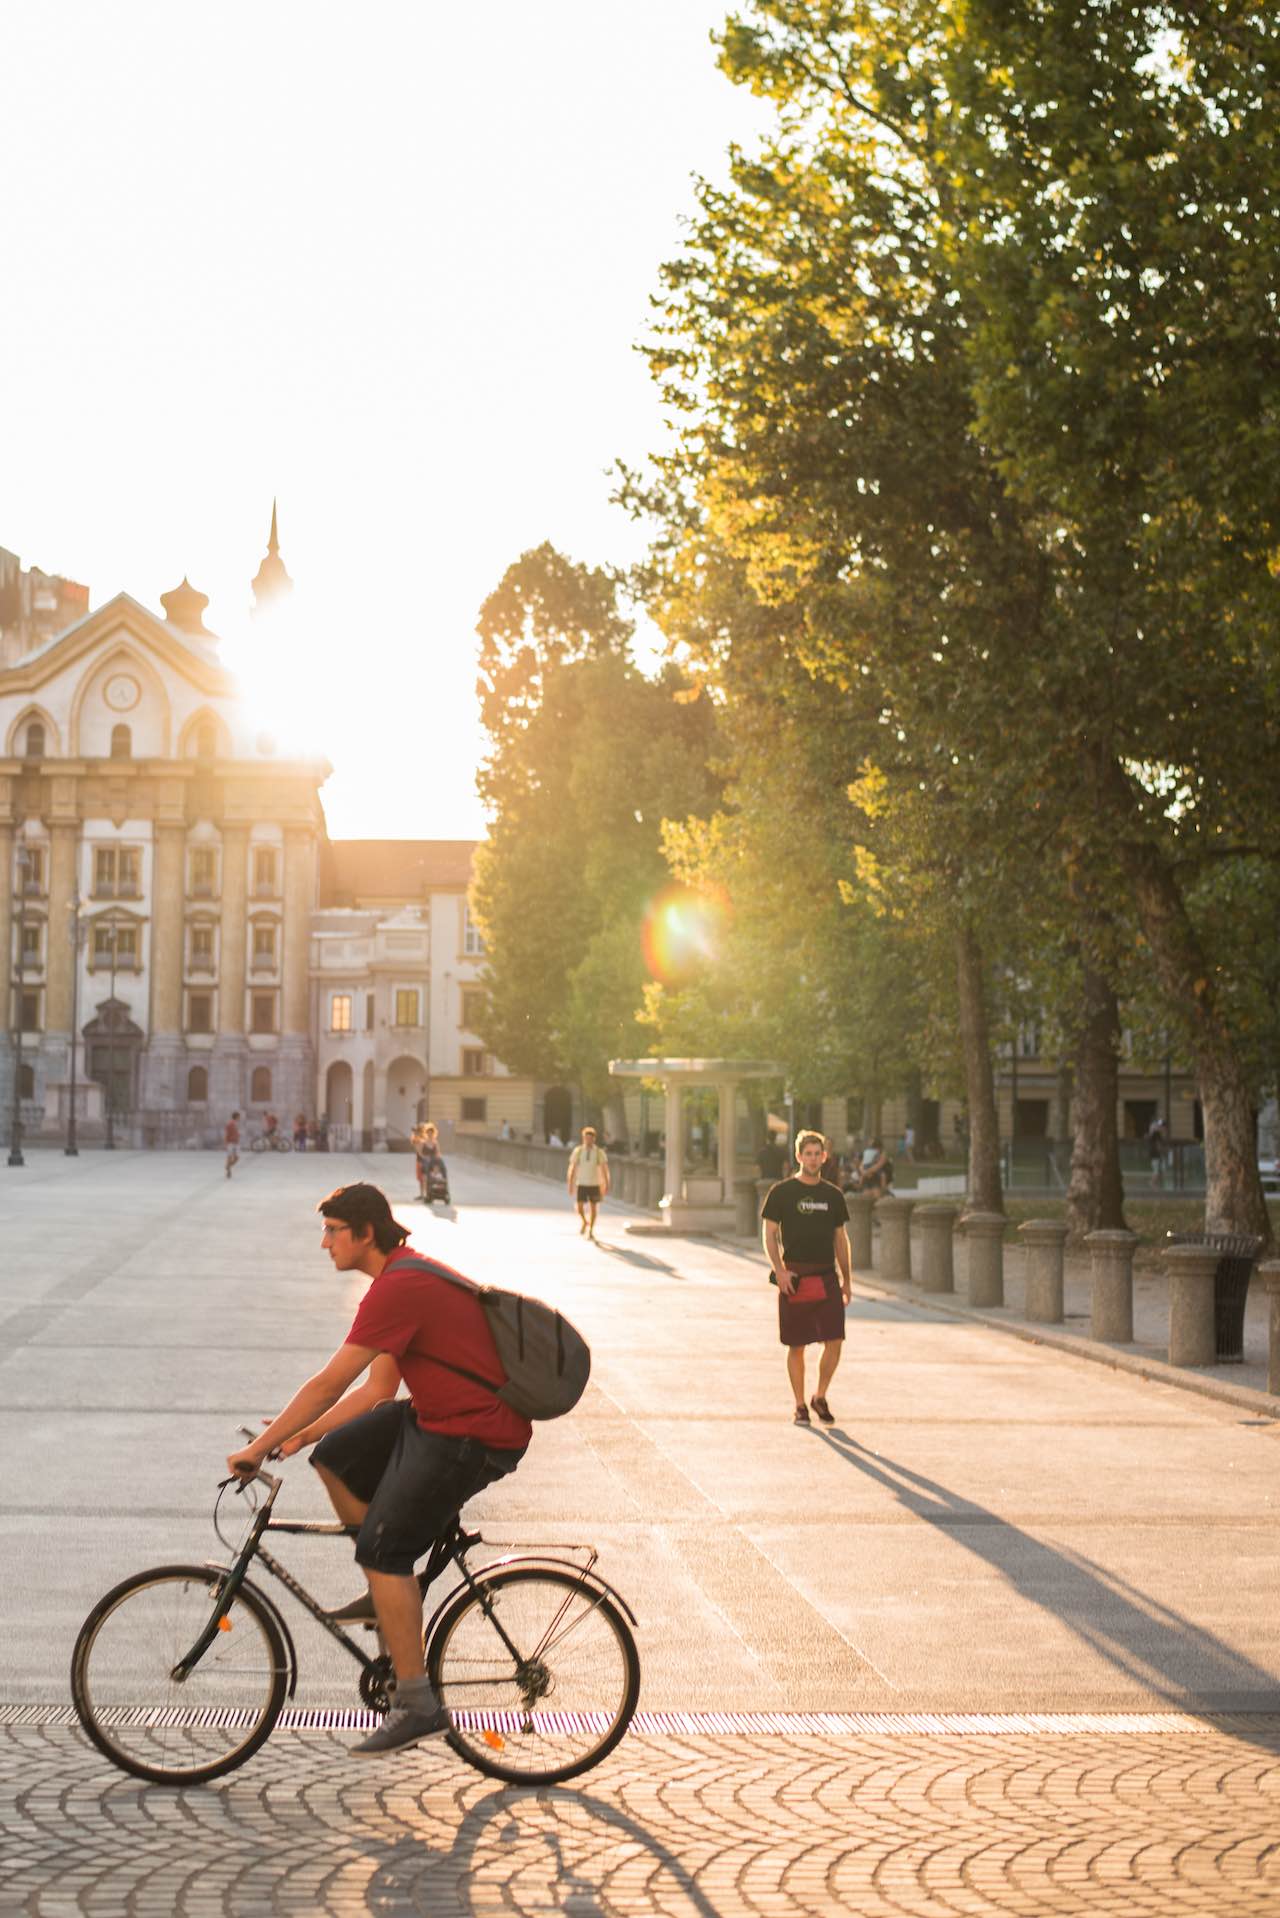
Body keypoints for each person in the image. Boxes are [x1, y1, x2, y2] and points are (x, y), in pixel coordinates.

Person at [226, 1182, 530, 1756]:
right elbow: (380, 1390)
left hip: (473, 1432)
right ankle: (391, 1586)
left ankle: (416, 1702)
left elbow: (328, 1383)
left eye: (332, 1230)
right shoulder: (399, 1277)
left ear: (365, 1233)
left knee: (383, 1549)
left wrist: (258, 1446)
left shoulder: (401, 1287)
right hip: (440, 1416)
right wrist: (299, 1437)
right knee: (336, 1456)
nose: (324, 1243)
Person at [761, 1129, 852, 1426]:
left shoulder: (833, 1195)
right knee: (796, 1345)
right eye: (807, 1153)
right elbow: (770, 1234)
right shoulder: (782, 1192)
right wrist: (779, 1270)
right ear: (799, 1156)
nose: (813, 1158)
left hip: (827, 1275)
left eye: (818, 1153)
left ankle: (820, 1396)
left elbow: (841, 1238)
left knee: (835, 1339)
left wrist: (847, 1279)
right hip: (795, 1276)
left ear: (824, 1157)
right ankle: (799, 1404)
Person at [566, 1126, 610, 1238]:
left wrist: (606, 1183)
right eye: (586, 1138)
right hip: (581, 1183)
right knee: (579, 1206)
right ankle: (585, 1221)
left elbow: (604, 1169)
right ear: (583, 1138)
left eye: (590, 1138)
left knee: (594, 1207)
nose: (588, 1140)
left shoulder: (599, 1152)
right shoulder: (579, 1151)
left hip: (595, 1183)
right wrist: (570, 1183)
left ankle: (591, 1229)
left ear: (594, 1139)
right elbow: (572, 1167)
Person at [224, 1111, 240, 1179]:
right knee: (230, 1157)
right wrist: (225, 1142)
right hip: (230, 1142)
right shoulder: (230, 1124)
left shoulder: (236, 1123)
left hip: (236, 1142)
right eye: (239, 1116)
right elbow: (226, 1133)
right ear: (236, 1116)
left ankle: (228, 1166)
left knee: (236, 1158)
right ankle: (229, 1171)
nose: (240, 1118)